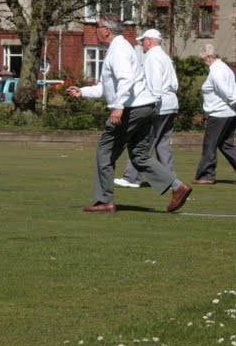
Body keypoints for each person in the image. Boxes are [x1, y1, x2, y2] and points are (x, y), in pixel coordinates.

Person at [66, 14, 192, 213]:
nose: (95, 29)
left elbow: (125, 80)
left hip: (132, 108)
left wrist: (118, 107)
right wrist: (82, 91)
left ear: (106, 30)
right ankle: (178, 187)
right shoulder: (118, 49)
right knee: (140, 155)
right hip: (144, 106)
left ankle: (105, 201)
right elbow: (107, 88)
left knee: (105, 151)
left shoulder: (119, 50)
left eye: (97, 26)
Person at [115, 28, 179, 188]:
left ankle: (131, 177)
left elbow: (155, 84)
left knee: (142, 142)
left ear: (149, 41)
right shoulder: (165, 57)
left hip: (158, 106)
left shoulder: (152, 57)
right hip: (171, 104)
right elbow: (175, 84)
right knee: (163, 145)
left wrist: (153, 103)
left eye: (143, 41)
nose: (142, 44)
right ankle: (171, 180)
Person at [193, 44, 236, 185]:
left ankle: (207, 175)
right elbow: (234, 88)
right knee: (226, 144)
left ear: (209, 57)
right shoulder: (225, 68)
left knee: (210, 145)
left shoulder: (215, 71)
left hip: (219, 114)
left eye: (203, 59)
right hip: (230, 113)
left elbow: (225, 90)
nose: (203, 62)